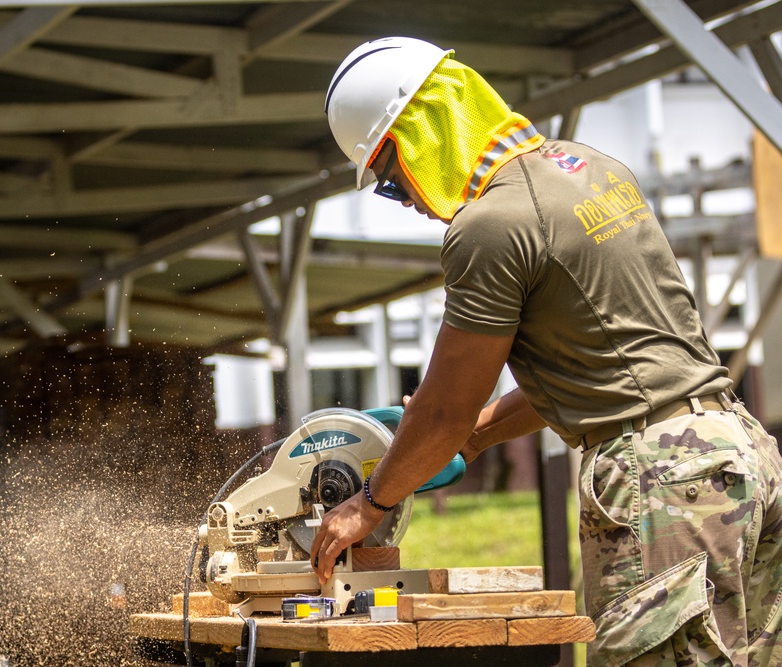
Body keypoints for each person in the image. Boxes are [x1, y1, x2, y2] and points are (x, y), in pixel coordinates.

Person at [310, 36, 782, 666]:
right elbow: (599, 363)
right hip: (738, 454)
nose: (415, 207)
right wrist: (477, 434)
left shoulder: (489, 226)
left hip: (664, 483)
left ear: (415, 141)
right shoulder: (591, 169)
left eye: (394, 187)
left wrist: (370, 505)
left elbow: (443, 410)